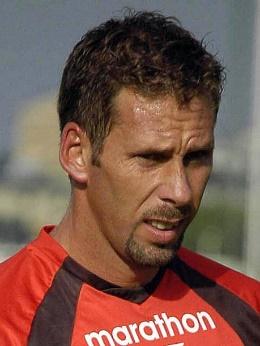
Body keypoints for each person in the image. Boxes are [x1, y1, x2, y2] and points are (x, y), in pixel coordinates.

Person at [1, 11, 259, 346]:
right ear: (76, 153)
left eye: (196, 158)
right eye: (151, 158)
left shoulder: (246, 310)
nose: (180, 192)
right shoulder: (11, 321)